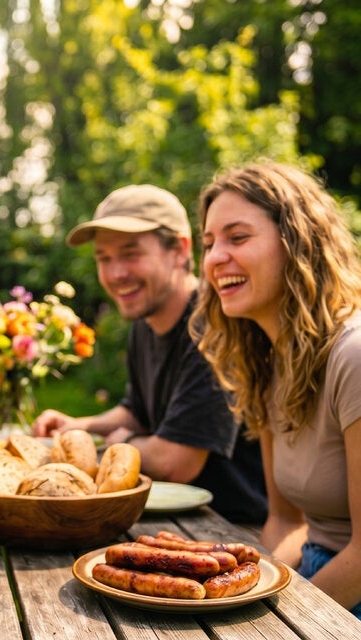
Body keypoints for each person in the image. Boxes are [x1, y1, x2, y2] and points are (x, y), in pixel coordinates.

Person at [31, 184, 267, 524]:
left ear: (180, 251)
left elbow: (177, 461)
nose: (115, 274)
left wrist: (122, 441)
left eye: (130, 254)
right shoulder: (146, 323)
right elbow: (136, 411)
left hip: (234, 529)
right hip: (169, 521)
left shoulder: (215, 325)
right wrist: (76, 428)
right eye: (104, 259)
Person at [191, 161, 361, 616]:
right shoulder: (269, 363)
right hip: (314, 572)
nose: (214, 259)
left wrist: (282, 620)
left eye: (238, 237)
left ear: (298, 243)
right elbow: (286, 522)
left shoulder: (354, 355)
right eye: (208, 244)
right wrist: (246, 589)